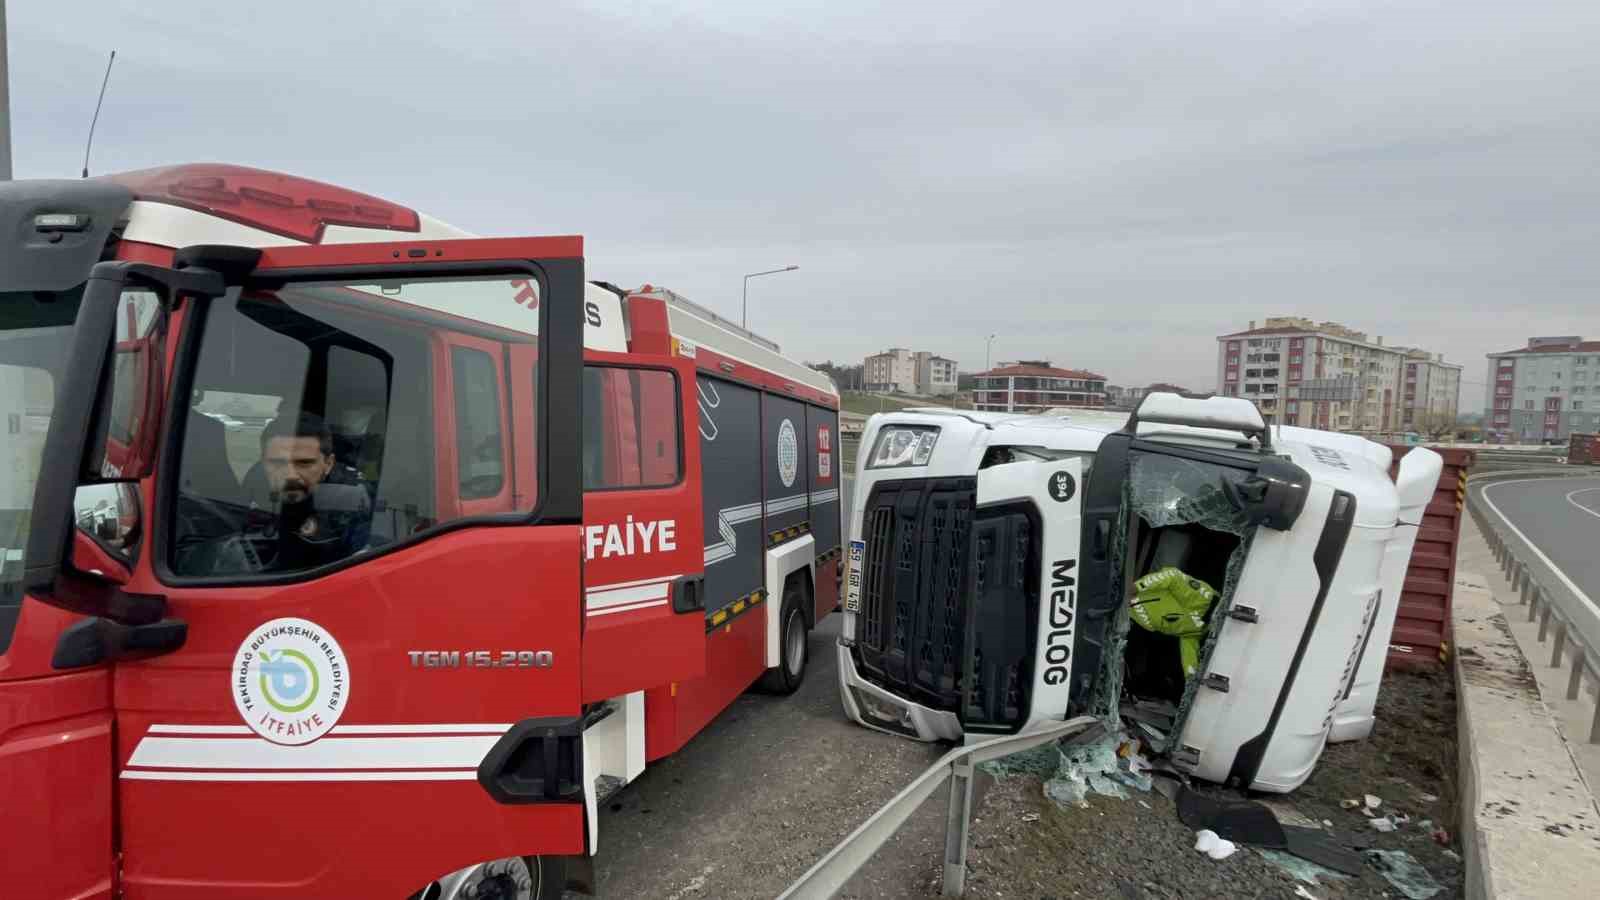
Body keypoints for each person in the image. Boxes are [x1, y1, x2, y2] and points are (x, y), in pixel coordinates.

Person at [250, 412, 373, 570]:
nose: (290, 475)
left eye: (304, 463)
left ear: (328, 464)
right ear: (263, 462)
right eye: (277, 462)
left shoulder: (356, 501)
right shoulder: (250, 488)